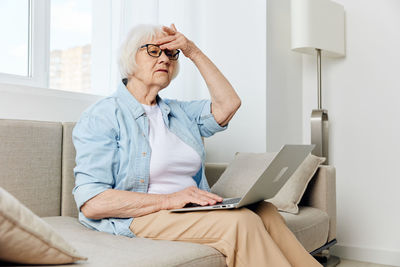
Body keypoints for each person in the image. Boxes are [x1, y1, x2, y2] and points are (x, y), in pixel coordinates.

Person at [72, 23, 321, 267]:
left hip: (187, 210)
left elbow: (229, 104)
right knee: (241, 222)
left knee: (265, 210)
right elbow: (93, 203)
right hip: (142, 215)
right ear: (130, 58)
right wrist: (170, 200)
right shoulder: (103, 116)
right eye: (153, 50)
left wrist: (193, 51)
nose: (165, 59)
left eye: (171, 53)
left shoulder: (179, 112)